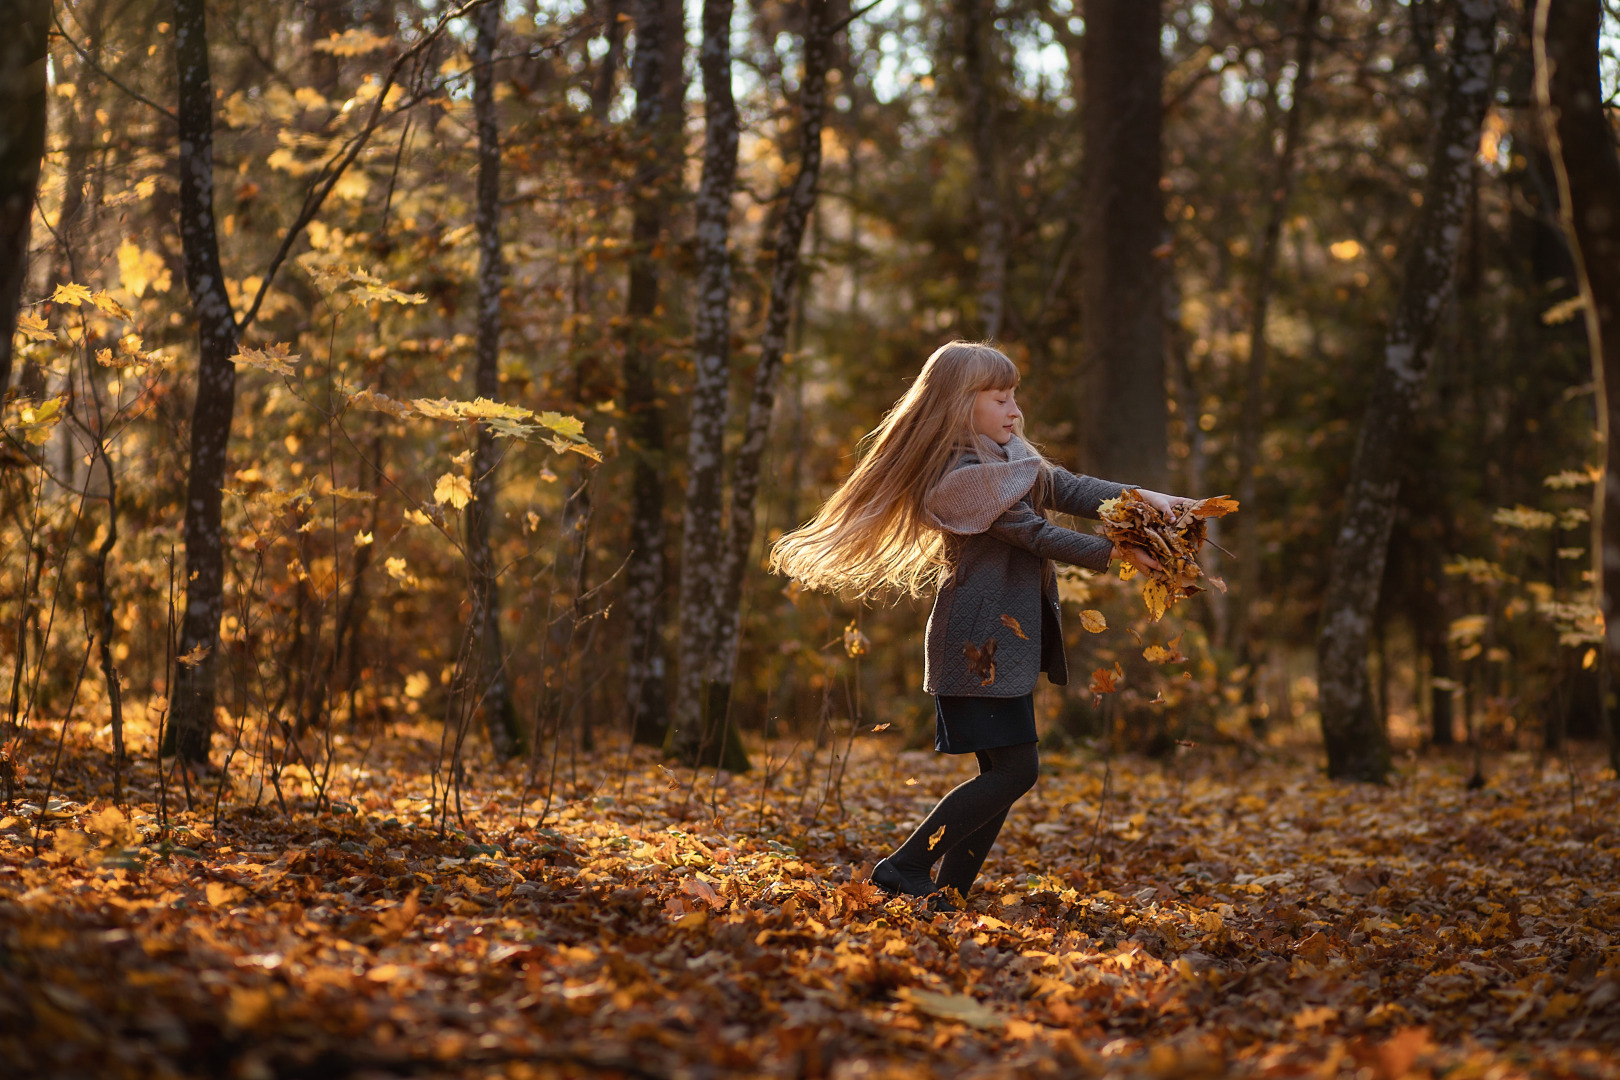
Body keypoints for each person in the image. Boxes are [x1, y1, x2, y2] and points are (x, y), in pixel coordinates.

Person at [769, 341, 1195, 910]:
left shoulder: (1007, 458)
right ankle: (904, 866)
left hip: (999, 648)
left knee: (1004, 772)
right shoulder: (963, 476)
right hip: (978, 647)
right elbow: (1033, 532)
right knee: (1016, 771)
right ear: (959, 406)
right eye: (1000, 398)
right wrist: (1118, 556)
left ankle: (948, 894)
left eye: (1014, 396)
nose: (1014, 410)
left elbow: (1066, 486)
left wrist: (1148, 499)